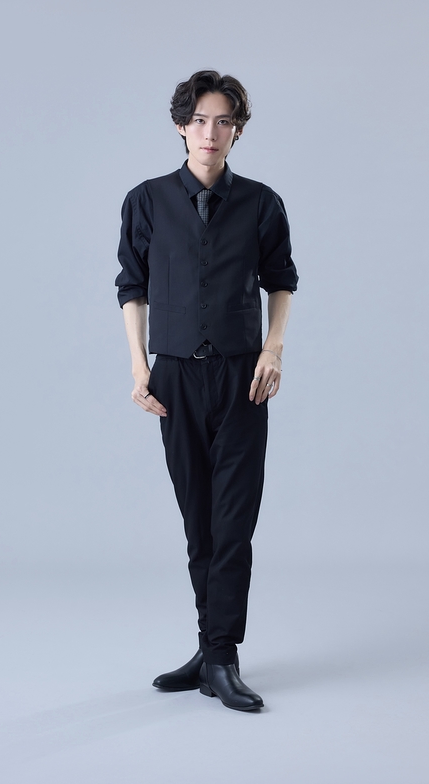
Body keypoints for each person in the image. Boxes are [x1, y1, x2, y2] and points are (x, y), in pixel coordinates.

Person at [116, 70, 298, 711]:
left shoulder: (261, 203)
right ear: (180, 126)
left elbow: (282, 280)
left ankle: (223, 657)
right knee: (198, 522)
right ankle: (208, 648)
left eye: (223, 121)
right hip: (175, 377)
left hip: (244, 377)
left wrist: (273, 350)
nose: (209, 132)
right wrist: (138, 368)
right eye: (198, 120)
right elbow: (131, 286)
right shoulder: (146, 200)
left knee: (233, 522)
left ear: (237, 131)